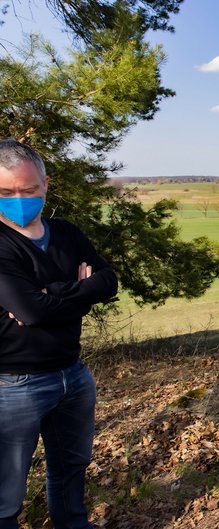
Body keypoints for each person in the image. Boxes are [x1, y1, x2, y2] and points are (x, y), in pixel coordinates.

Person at [0, 139, 118, 528]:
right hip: (12, 384)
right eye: (5, 192)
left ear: (46, 184)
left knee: (70, 470)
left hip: (73, 373)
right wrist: (77, 292)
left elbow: (108, 282)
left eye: (29, 190)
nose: (19, 199)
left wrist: (52, 294)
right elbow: (32, 311)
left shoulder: (66, 233)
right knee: (5, 492)